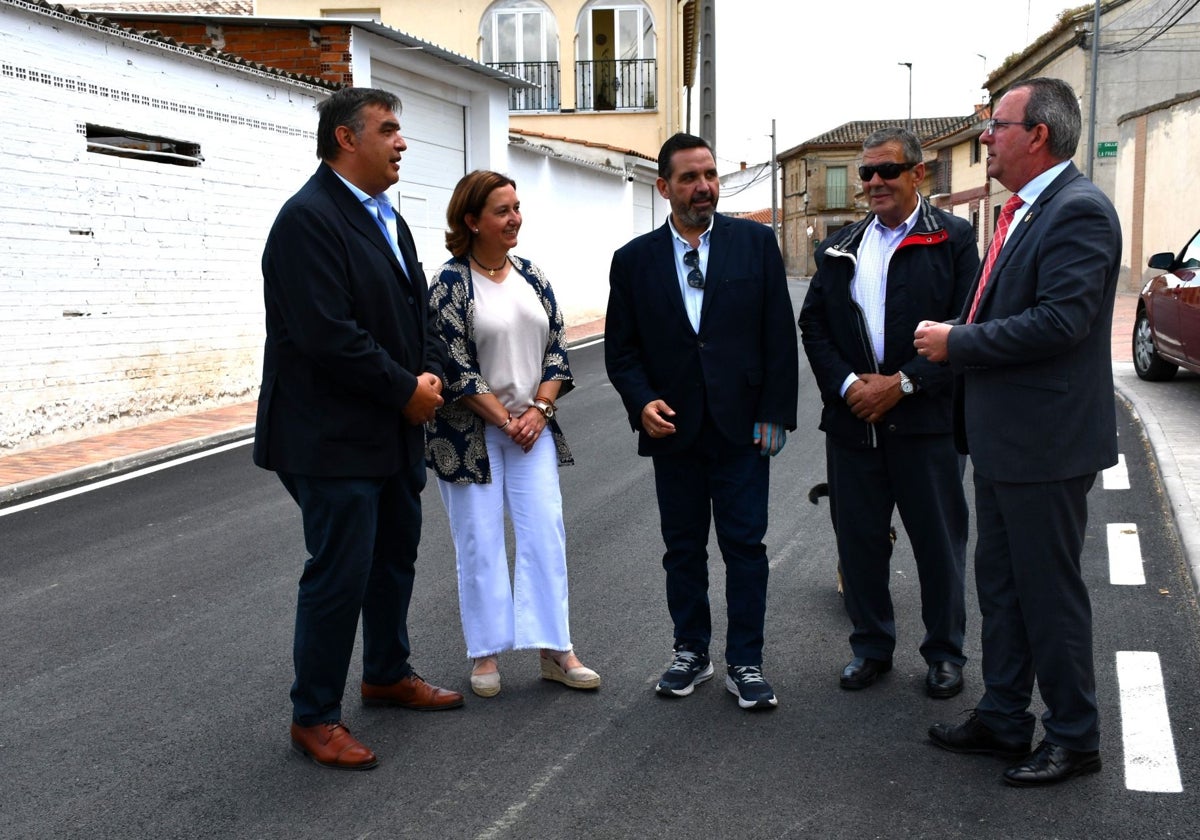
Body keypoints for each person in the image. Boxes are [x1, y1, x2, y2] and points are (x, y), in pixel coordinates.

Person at [915, 77, 1121, 787]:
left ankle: (1075, 735)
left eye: (996, 126)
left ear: (1037, 134)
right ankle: (1005, 716)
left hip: (1047, 443)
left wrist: (958, 343)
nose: (985, 139)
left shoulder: (1079, 211)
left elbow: (1063, 322)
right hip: (1008, 440)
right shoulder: (1029, 211)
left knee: (1047, 592)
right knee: (1001, 586)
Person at [255, 87, 464, 772]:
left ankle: (385, 673)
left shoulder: (387, 219)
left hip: (393, 430)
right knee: (338, 574)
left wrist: (429, 375)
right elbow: (325, 335)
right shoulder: (306, 221)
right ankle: (313, 716)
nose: (403, 142)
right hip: (330, 436)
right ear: (347, 138)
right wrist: (406, 389)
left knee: (393, 559)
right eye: (390, 130)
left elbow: (418, 315)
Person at [605, 133, 799, 710]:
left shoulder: (755, 244)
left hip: (742, 428)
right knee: (682, 548)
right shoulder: (634, 260)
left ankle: (747, 660)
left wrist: (774, 415)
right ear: (664, 187)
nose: (705, 187)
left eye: (710, 174)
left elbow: (777, 337)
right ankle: (691, 650)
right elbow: (622, 351)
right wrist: (641, 402)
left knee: (745, 545)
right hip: (674, 430)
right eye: (690, 178)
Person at [799, 127, 977, 698]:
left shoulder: (952, 238)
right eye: (866, 173)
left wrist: (902, 384)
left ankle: (945, 654)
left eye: (887, 171)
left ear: (917, 174)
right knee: (860, 543)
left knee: (939, 546)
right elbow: (815, 324)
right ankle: (871, 646)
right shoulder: (841, 244)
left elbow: (968, 328)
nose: (875, 182)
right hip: (855, 425)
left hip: (926, 425)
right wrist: (850, 384)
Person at [426, 170, 600, 699]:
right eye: (502, 210)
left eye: (517, 208)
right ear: (472, 220)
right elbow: (453, 365)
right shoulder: (450, 283)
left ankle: (556, 649)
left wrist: (539, 412)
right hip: (470, 435)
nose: (514, 218)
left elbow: (557, 349)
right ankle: (485, 652)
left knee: (546, 533)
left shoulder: (532, 275)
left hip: (532, 429)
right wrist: (504, 419)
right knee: (479, 541)